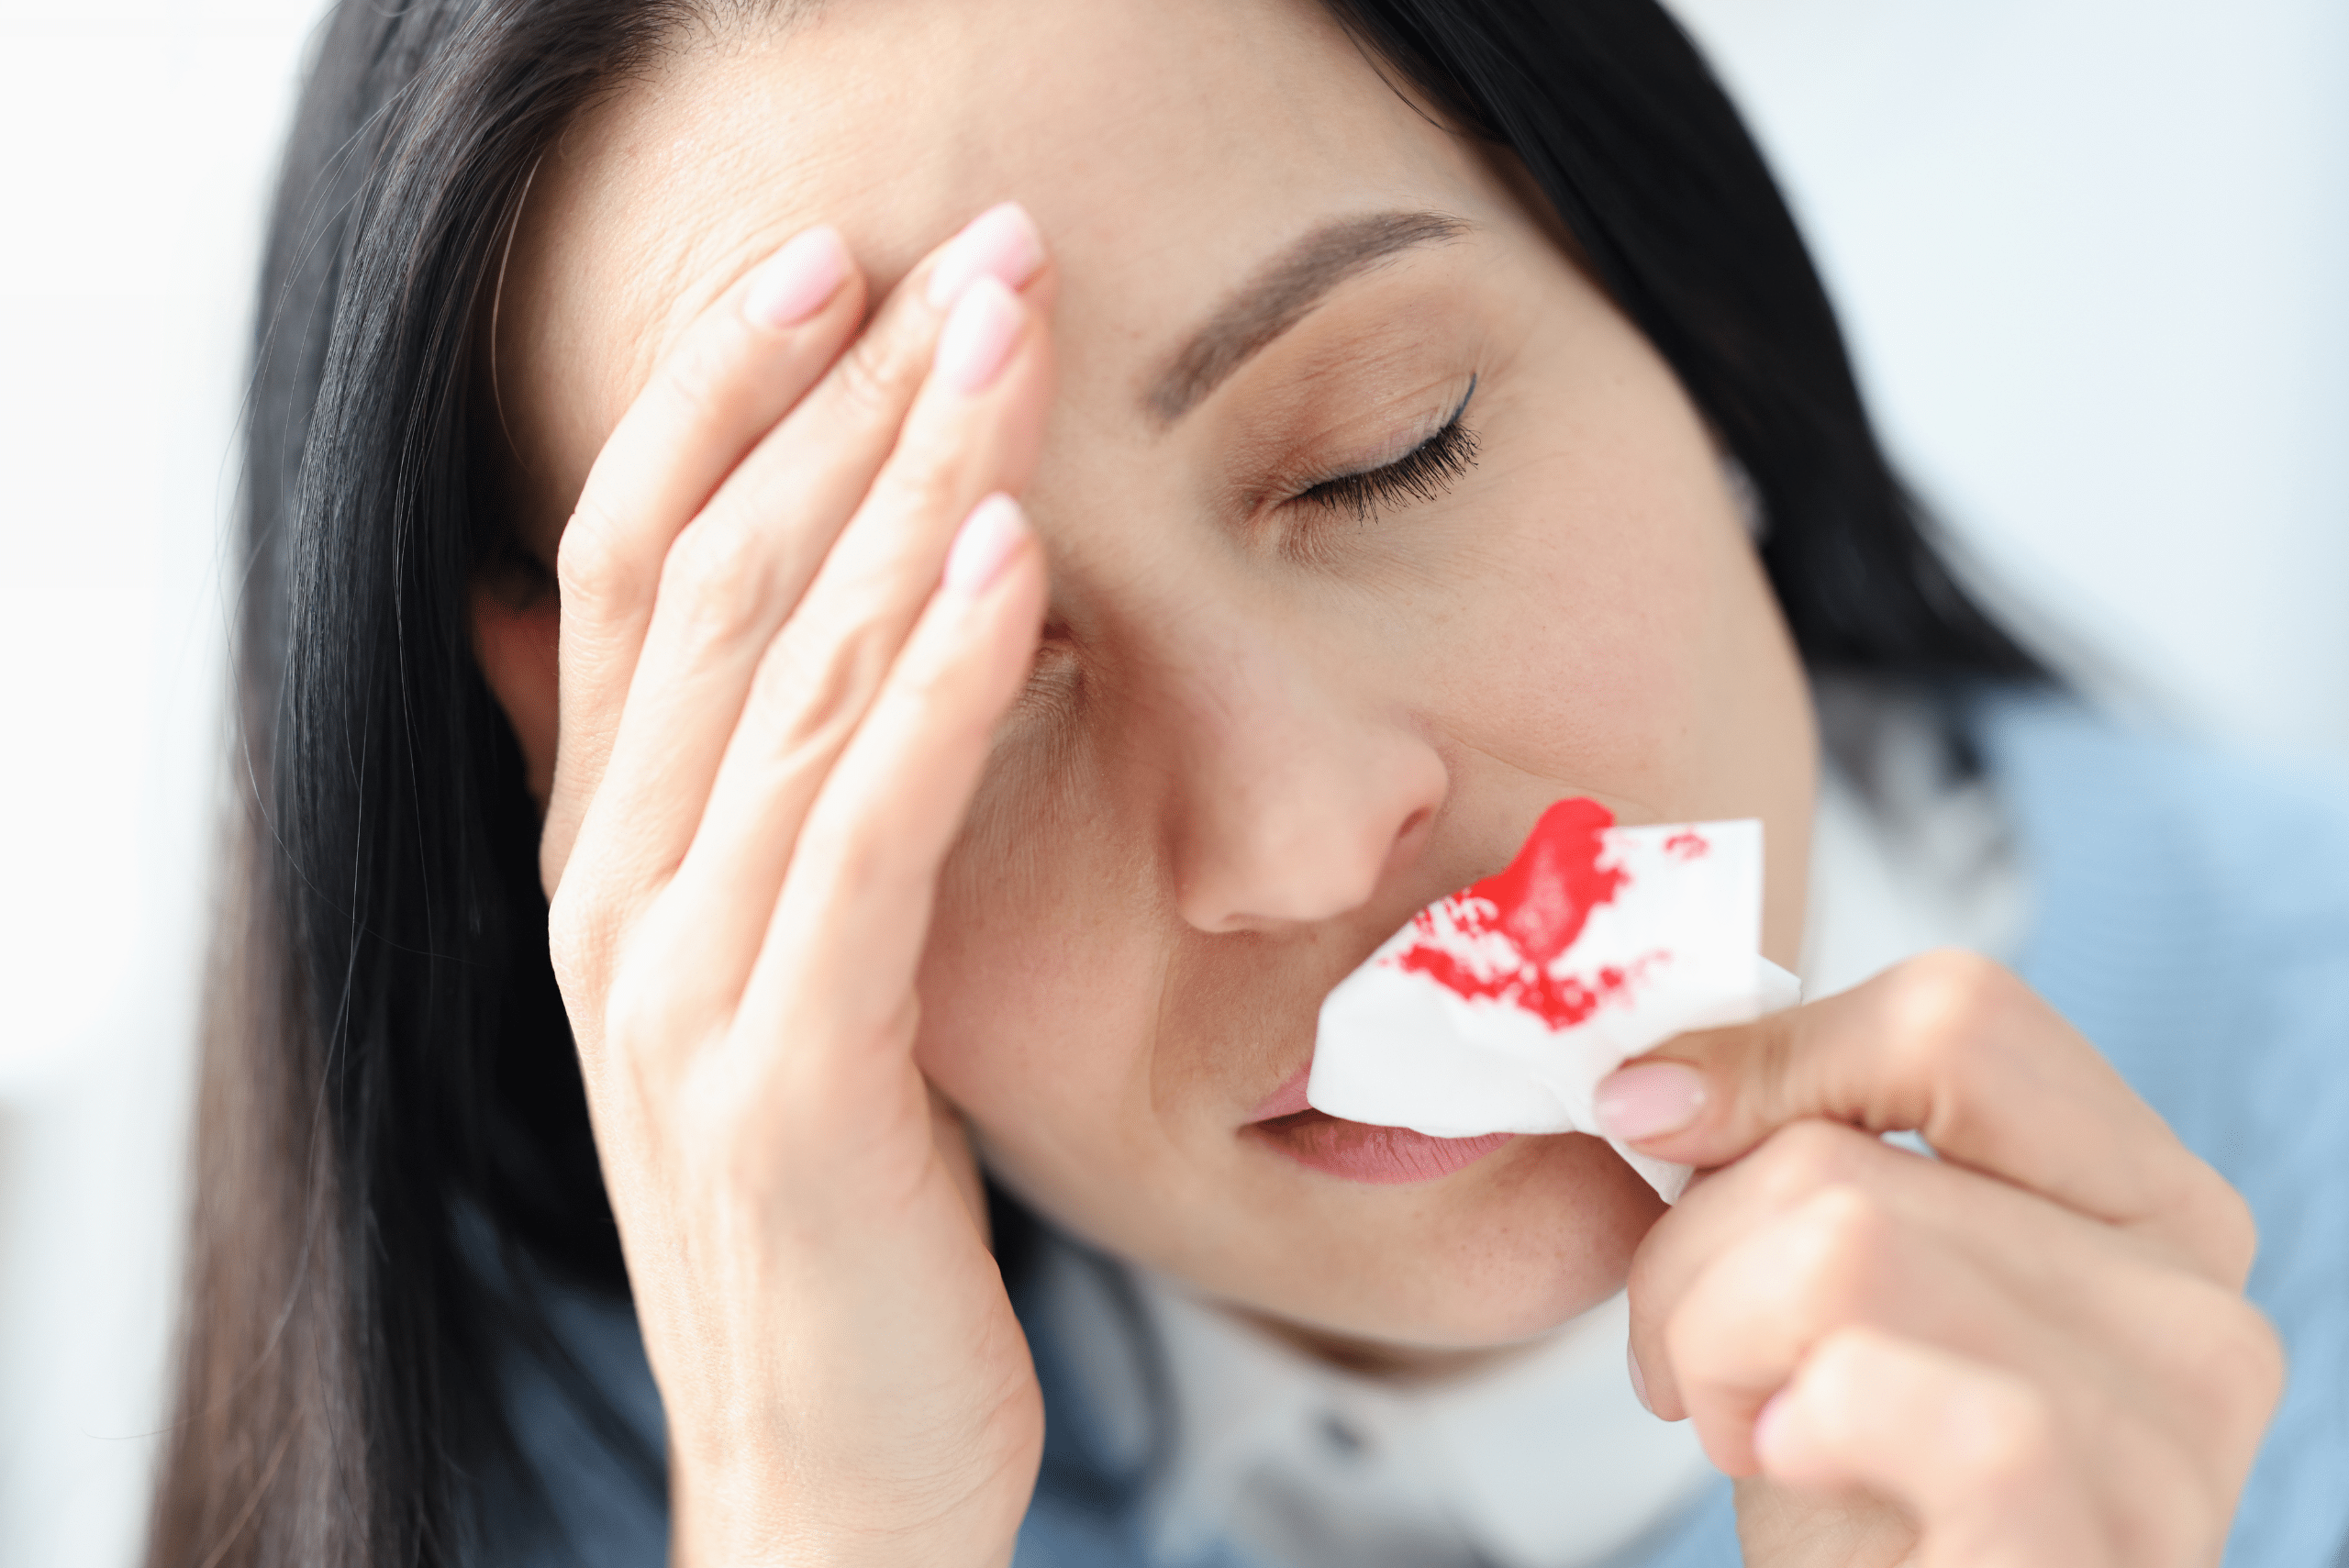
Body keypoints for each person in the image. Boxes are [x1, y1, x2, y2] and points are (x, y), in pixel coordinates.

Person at [149, 1, 2349, 1565]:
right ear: (599, 784)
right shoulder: (509, 1449)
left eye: (1385, 447)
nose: (1295, 832)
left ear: (1697, 340)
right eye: (949, 665)